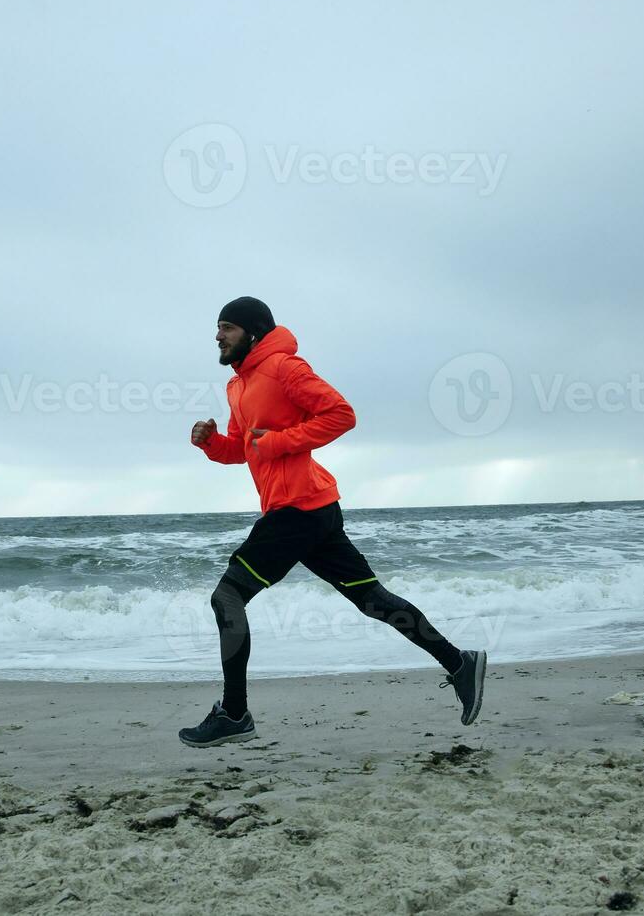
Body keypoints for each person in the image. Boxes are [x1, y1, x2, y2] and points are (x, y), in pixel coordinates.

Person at [178, 296, 486, 748]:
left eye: (226, 327)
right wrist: (212, 444)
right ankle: (459, 662)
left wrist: (281, 441)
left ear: (253, 331)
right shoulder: (236, 387)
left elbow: (341, 415)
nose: (217, 336)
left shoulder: (285, 368)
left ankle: (236, 713)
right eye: (218, 327)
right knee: (373, 601)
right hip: (312, 508)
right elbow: (248, 448)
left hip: (296, 509)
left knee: (227, 597)